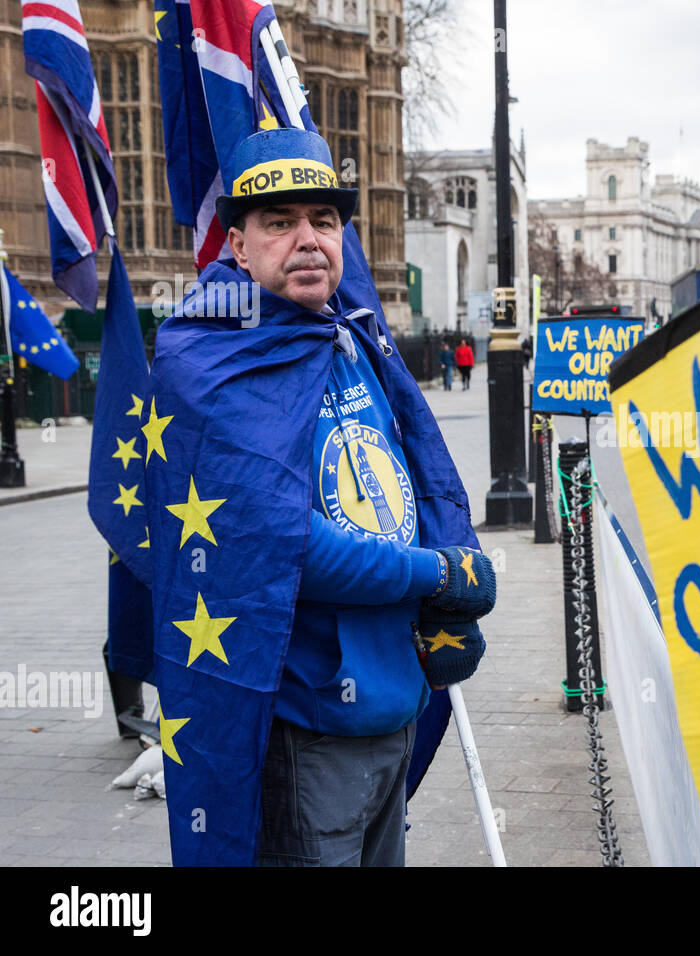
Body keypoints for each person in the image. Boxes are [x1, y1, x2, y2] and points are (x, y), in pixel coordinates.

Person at [144, 127, 496, 866]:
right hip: (309, 730)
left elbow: (409, 485)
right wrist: (436, 575)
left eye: (325, 221)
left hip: (394, 707)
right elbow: (285, 543)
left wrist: (443, 610)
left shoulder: (353, 339)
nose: (308, 239)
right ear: (238, 245)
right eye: (280, 222)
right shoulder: (208, 358)